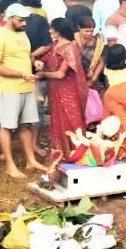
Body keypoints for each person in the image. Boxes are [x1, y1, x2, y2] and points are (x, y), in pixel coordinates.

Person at [0, 4, 47, 178]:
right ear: (10, 18)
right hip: (9, 87)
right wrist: (21, 74)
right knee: (7, 126)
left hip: (27, 85)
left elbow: (25, 55)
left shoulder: (22, 34)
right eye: (20, 20)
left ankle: (31, 160)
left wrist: (34, 62)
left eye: (25, 20)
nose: (24, 23)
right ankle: (10, 165)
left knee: (26, 125)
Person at [38, 17, 89, 156]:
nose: (50, 31)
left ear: (59, 31)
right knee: (58, 119)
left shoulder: (70, 47)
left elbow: (61, 74)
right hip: (55, 88)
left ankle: (77, 151)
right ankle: (62, 150)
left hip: (68, 90)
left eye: (52, 28)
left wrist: (43, 74)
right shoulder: (55, 45)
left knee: (71, 119)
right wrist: (40, 63)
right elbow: (46, 59)